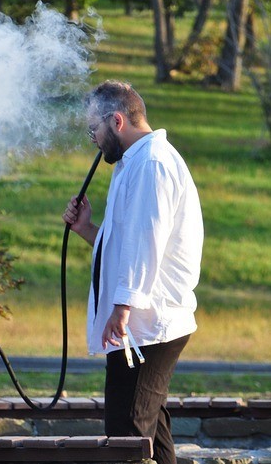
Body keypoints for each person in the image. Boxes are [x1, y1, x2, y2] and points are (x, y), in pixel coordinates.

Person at [63, 80, 203, 464]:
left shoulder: (152, 164)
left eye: (94, 129)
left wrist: (123, 306)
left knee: (126, 438)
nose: (93, 138)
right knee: (152, 438)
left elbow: (147, 241)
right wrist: (88, 230)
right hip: (142, 326)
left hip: (145, 327)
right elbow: (128, 245)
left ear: (118, 120)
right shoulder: (135, 163)